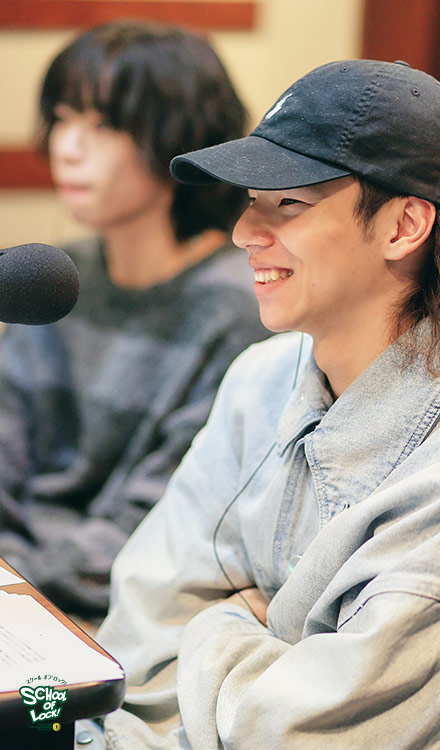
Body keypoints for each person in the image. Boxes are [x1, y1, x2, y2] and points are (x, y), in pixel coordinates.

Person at [96, 60, 440, 748]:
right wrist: (272, 644)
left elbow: (303, 734)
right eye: (251, 200)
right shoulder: (259, 379)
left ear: (404, 225)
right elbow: (136, 642)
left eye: (288, 204)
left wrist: (215, 624)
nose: (244, 232)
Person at [0, 21, 269, 618]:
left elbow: (163, 523)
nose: (67, 147)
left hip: (124, 611)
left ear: (179, 138)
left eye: (103, 125)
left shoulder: (239, 308)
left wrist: (17, 581)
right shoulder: (52, 280)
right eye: (62, 118)